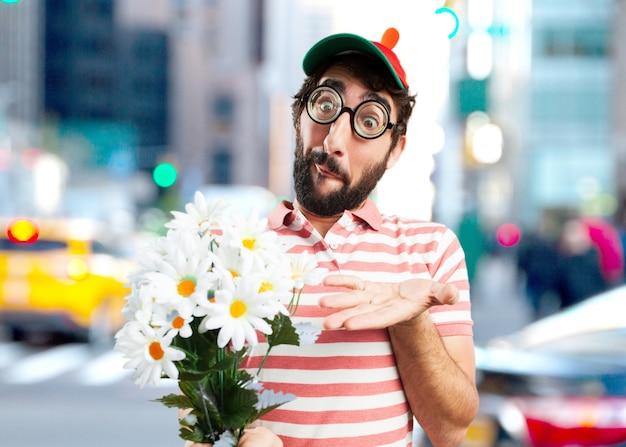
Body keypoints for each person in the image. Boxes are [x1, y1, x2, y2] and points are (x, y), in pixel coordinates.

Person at [189, 27, 478, 447]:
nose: (335, 140)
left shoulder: (432, 249)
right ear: (297, 119)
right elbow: (197, 417)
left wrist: (409, 320)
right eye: (325, 104)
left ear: (396, 150)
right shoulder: (226, 245)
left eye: (369, 121)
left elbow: (451, 429)